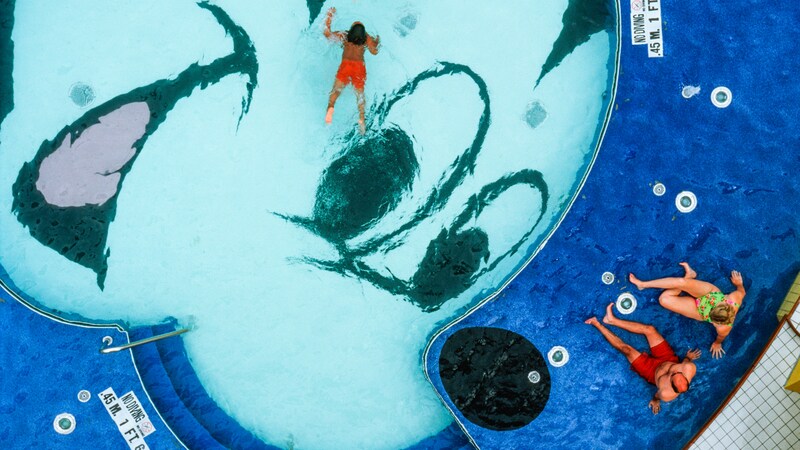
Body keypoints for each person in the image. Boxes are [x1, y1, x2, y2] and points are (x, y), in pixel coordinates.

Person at [585, 303, 701, 414]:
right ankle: (611, 320)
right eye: (678, 372)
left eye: (674, 374)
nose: (675, 371)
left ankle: (597, 324)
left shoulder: (666, 394)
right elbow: (686, 361)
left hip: (651, 372)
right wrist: (687, 357)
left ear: (671, 382)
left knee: (627, 350)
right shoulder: (688, 368)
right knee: (650, 329)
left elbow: (657, 395)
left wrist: (655, 400)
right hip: (667, 358)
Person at [629, 263, 746, 358]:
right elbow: (742, 292)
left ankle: (689, 277)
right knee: (680, 283)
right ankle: (643, 284)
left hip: (700, 311)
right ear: (723, 304)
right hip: (710, 294)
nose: (713, 324)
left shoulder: (724, 328)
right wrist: (739, 284)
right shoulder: (734, 299)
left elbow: (720, 338)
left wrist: (717, 343)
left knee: (664, 300)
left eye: (714, 322)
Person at [323, 7, 380, 134]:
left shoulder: (344, 36)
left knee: (335, 92)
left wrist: (329, 17)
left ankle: (331, 108)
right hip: (359, 68)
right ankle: (361, 119)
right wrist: (377, 41)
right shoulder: (367, 39)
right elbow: (374, 52)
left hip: (345, 66)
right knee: (360, 96)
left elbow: (327, 35)